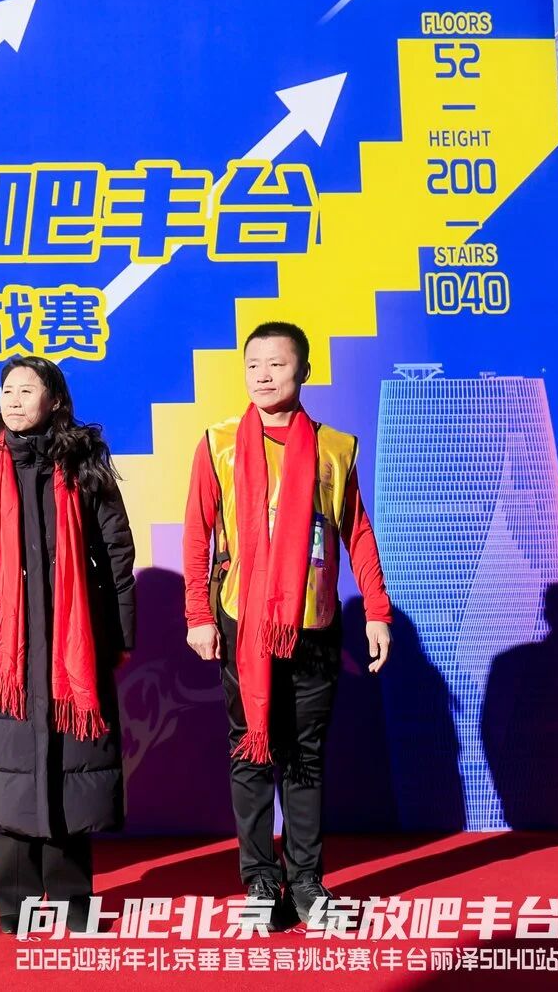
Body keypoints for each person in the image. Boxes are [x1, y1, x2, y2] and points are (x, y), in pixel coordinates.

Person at [182, 321, 392, 930]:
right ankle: (259, 878)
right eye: (253, 365)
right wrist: (199, 614)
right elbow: (198, 534)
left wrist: (376, 611)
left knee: (304, 757)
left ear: (303, 371)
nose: (263, 375)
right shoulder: (218, 443)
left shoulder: (336, 448)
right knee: (250, 753)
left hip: (314, 625)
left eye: (276, 364)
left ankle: (305, 881)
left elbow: (357, 532)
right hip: (243, 623)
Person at [0, 356, 136, 935]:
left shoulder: (85, 466)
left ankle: (73, 895)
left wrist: (120, 634)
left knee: (72, 766)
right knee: (8, 769)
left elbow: (116, 555)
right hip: (2, 646)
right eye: (8, 390)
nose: (15, 399)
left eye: (28, 390)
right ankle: (16, 897)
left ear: (55, 401)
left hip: (75, 643)